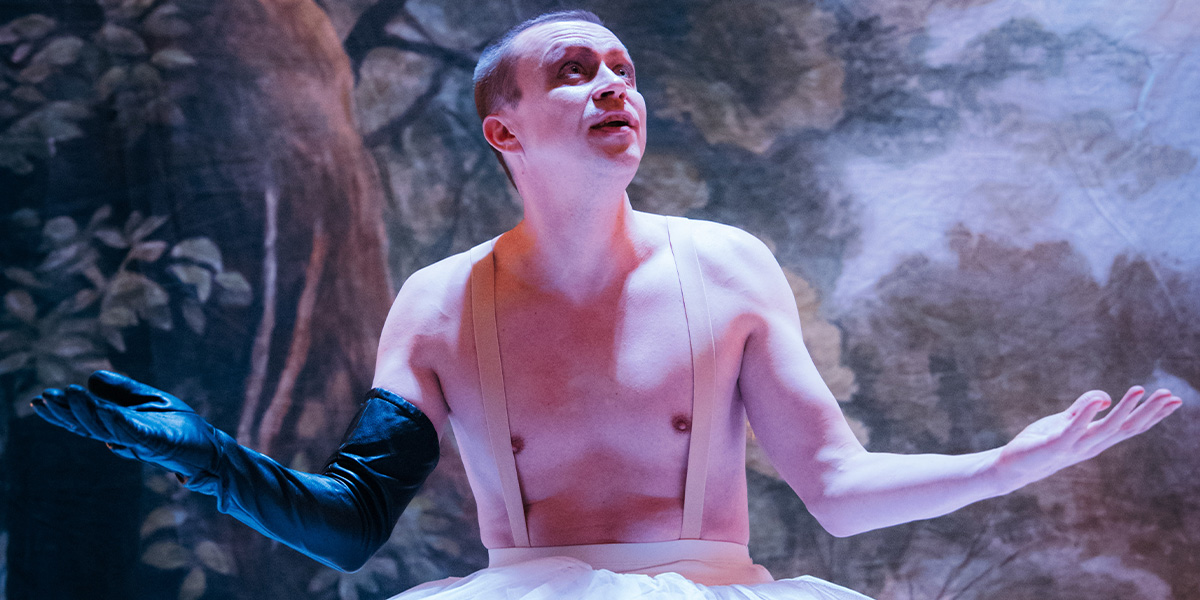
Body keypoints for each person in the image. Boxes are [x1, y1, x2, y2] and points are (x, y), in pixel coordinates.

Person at [31, 10, 1182, 600]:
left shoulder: (727, 265)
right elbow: (348, 521)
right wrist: (204, 455)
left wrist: (1006, 463)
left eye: (623, 70)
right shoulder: (440, 305)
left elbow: (832, 490)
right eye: (575, 70)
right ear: (506, 129)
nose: (613, 85)